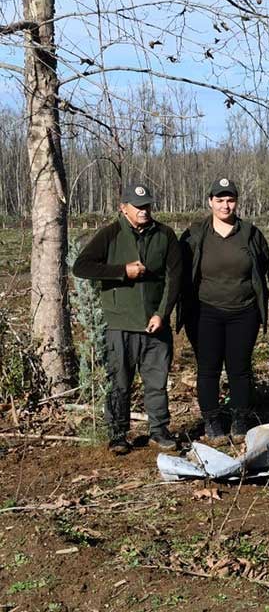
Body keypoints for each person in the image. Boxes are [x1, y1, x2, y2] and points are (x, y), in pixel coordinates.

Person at [72, 183, 182, 454]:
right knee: (119, 382)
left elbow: (174, 277)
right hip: (118, 325)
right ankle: (118, 435)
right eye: (137, 206)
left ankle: (159, 430)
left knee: (157, 382)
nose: (144, 211)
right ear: (124, 208)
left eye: (147, 206)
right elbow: (81, 266)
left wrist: (162, 313)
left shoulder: (164, 235)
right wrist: (122, 271)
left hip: (154, 326)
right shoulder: (109, 234)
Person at [178, 178, 269, 445]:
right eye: (219, 200)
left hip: (244, 312)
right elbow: (180, 270)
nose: (225, 205)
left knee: (239, 369)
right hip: (205, 312)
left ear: (236, 202)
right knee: (208, 369)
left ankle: (240, 419)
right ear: (210, 202)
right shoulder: (196, 234)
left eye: (230, 200)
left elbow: (263, 265)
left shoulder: (250, 234)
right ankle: (212, 421)